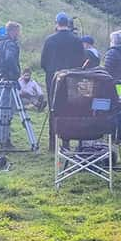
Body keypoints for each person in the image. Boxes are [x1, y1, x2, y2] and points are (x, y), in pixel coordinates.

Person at [40, 12, 86, 148]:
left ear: (56, 24)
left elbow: (43, 62)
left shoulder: (49, 40)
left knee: (54, 109)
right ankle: (66, 142)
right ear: (68, 24)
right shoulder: (76, 40)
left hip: (53, 79)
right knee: (70, 109)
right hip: (72, 79)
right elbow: (82, 61)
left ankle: (52, 143)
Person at [0, 21, 23, 148]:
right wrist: (16, 72)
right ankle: (4, 139)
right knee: (6, 110)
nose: (19, 34)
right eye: (18, 31)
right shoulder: (10, 44)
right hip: (7, 79)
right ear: (12, 31)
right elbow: (10, 59)